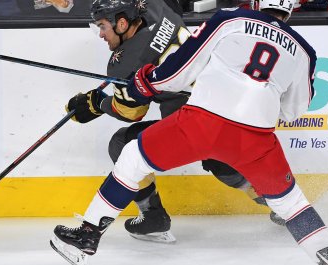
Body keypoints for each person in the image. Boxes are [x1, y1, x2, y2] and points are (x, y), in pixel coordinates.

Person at [50, 0, 328, 265]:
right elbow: (291, 112)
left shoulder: (231, 19)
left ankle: (87, 236)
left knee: (131, 154)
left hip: (202, 123)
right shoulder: (304, 51)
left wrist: (146, 83)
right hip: (256, 138)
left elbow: (179, 69)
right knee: (294, 206)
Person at [64, 0, 285, 245]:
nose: (101, 35)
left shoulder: (125, 62)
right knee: (225, 163)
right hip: (228, 103)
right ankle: (285, 206)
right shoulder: (158, 6)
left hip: (191, 124)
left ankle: (153, 217)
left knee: (122, 143)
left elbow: (131, 112)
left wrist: (97, 104)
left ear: (122, 22)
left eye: (103, 26)